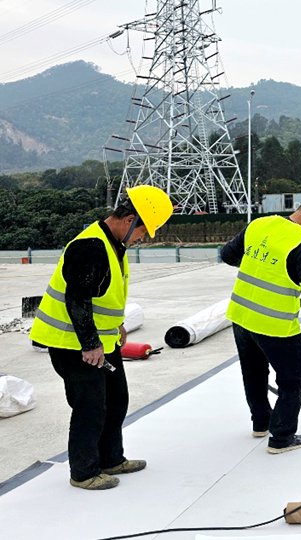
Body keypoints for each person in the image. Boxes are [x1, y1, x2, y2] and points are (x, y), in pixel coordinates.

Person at [30, 185, 173, 490]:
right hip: (72, 343)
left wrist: (117, 325)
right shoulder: (91, 246)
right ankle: (83, 472)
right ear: (129, 219)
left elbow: (103, 294)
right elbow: (77, 299)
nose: (142, 239)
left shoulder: (112, 244)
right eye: (143, 231)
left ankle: (110, 458)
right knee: (90, 406)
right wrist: (91, 344)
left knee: (117, 398)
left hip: (102, 340)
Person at [222, 192, 301, 454]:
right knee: (292, 378)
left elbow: (227, 255)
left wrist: (258, 266)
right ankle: (281, 437)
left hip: (242, 317)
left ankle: (261, 422)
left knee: (253, 373)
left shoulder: (260, 223)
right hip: (274, 323)